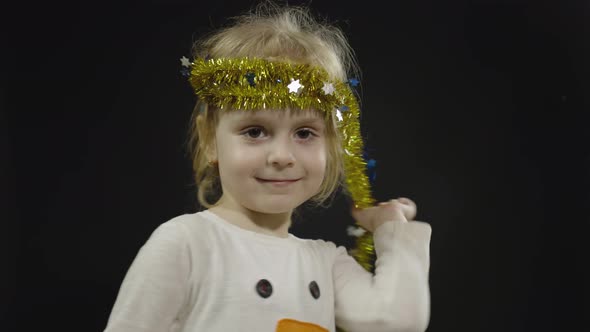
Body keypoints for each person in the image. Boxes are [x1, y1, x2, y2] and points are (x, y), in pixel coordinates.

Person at [103, 1, 432, 331]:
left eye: (304, 133)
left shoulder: (325, 263)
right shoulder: (187, 243)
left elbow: (398, 322)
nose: (281, 155)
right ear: (209, 139)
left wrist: (393, 230)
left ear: (330, 145)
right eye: (255, 131)